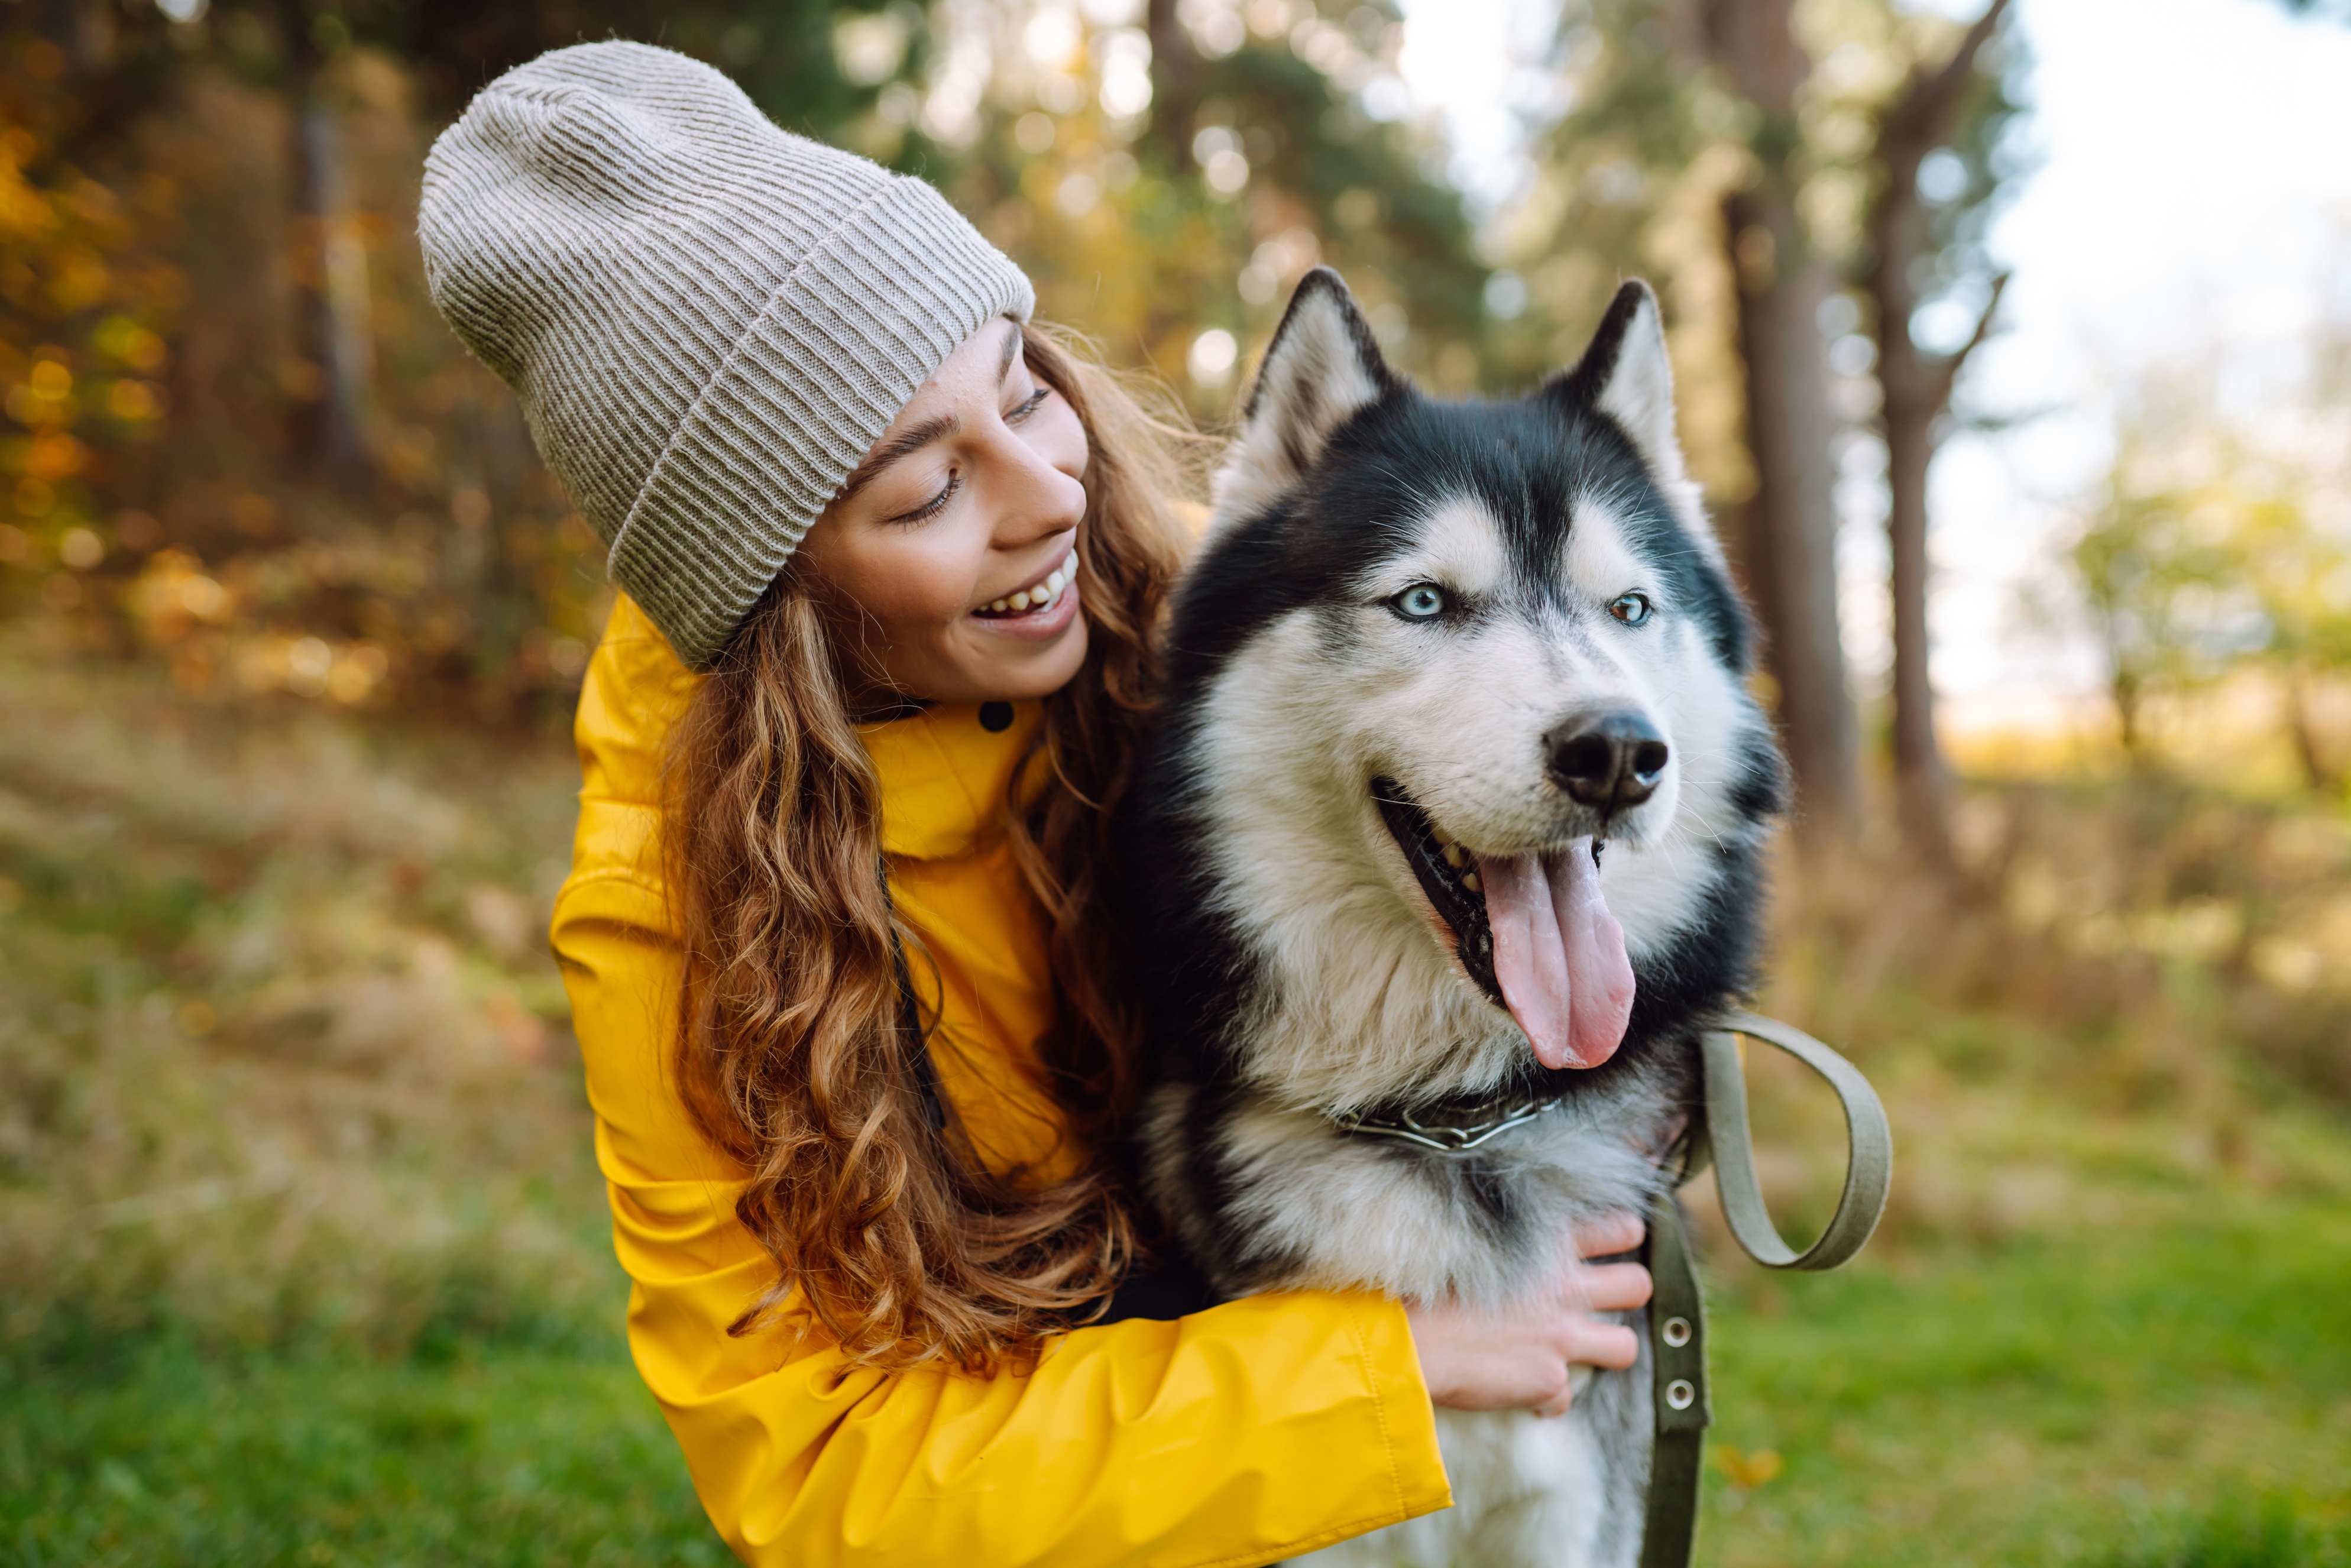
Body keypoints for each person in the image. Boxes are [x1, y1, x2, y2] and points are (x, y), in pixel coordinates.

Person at [419, 40, 1651, 1566]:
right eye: (928, 490)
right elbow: (820, 1470)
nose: (1052, 495)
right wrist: (1377, 1364)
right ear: (779, 593)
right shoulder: (673, 920)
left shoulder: (1198, 610)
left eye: (1025, 389)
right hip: (1069, 1455)